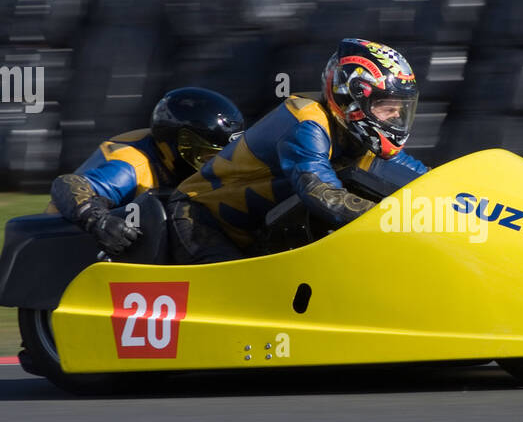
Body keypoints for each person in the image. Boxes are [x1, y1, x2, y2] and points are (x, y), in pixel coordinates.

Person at [169, 38, 428, 263]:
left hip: (252, 235)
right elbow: (321, 192)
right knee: (235, 296)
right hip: (200, 219)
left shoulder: (360, 138)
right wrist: (391, 218)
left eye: (401, 109)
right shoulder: (306, 122)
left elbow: (424, 180)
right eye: (387, 107)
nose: (395, 118)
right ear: (351, 100)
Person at [51, 87, 244, 254]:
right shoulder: (132, 167)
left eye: (228, 156)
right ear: (174, 146)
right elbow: (67, 183)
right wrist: (98, 221)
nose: (219, 165)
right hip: (68, 245)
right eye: (207, 157)